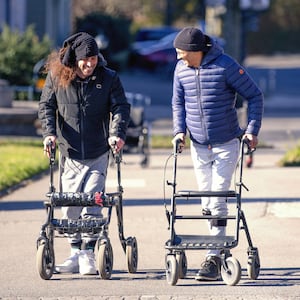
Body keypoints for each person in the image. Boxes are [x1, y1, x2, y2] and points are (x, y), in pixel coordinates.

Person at [171, 27, 263, 281]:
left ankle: (214, 256)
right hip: (198, 145)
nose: (178, 58)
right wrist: (179, 130)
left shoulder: (225, 66)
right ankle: (216, 247)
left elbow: (254, 96)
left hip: (226, 143)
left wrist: (252, 130)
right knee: (206, 203)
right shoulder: (181, 71)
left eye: (181, 53)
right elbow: (177, 102)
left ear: (195, 51)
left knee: (218, 198)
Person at [38, 32, 130, 275]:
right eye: (85, 60)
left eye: (93, 59)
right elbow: (46, 105)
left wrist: (116, 132)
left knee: (92, 200)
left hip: (98, 150)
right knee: (69, 205)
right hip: (70, 153)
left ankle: (88, 253)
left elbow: (120, 106)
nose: (90, 64)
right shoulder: (58, 78)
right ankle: (75, 252)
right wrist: (49, 133)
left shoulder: (108, 78)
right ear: (74, 58)